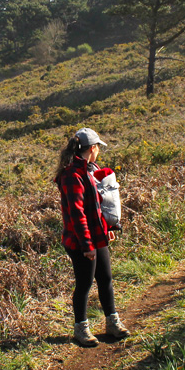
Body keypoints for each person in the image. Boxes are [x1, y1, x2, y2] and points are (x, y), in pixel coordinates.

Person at [55, 128, 129, 347]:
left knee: (105, 279)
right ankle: (81, 329)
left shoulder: (90, 169)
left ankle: (112, 324)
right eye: (98, 148)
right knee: (85, 284)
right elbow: (77, 214)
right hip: (80, 241)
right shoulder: (72, 175)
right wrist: (87, 245)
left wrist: (107, 228)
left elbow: (97, 206)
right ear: (93, 148)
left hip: (96, 236)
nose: (98, 152)